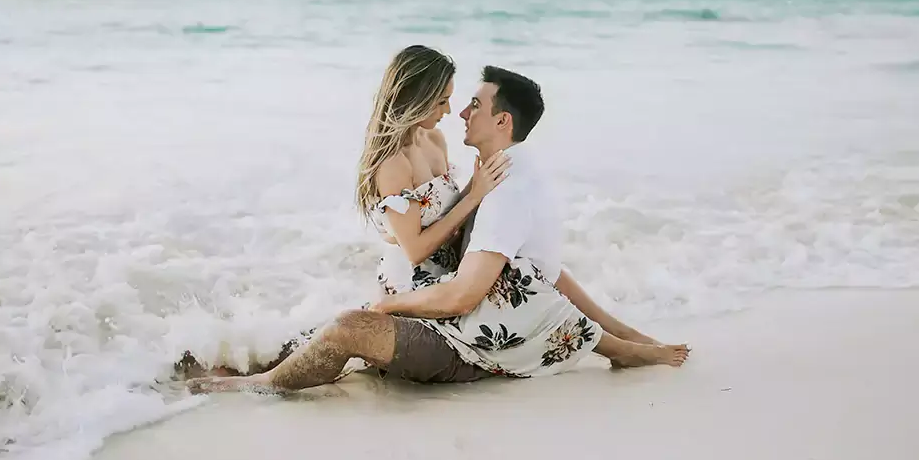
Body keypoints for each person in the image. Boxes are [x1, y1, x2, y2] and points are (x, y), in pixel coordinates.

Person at [185, 59, 688, 394]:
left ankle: (255, 384)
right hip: (421, 290)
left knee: (348, 328)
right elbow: (439, 252)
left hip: (449, 310)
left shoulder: (479, 173)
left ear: (502, 123)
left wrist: (471, 201)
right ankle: (219, 372)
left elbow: (492, 283)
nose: (456, 112)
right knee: (311, 338)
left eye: (468, 102)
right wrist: (471, 198)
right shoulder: (444, 170)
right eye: (448, 100)